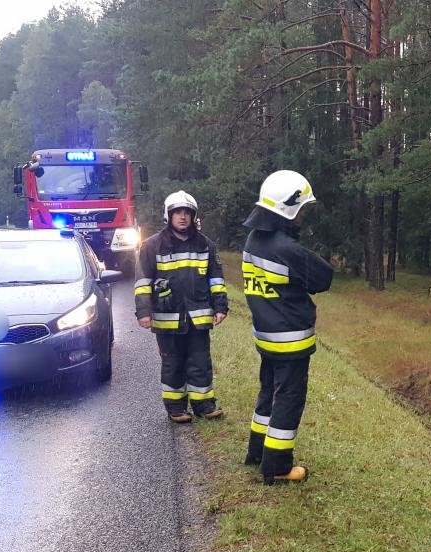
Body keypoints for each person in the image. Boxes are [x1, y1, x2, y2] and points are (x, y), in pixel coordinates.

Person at [241, 170, 333, 485]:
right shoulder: (287, 249)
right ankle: (278, 466)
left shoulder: (254, 240)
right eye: (302, 208)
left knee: (268, 392)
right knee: (289, 398)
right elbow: (323, 278)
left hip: (265, 336)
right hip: (291, 340)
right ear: (289, 207)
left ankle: (257, 451)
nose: (303, 215)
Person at [134, 190, 229, 423]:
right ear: (169, 215)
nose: (183, 216)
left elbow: (216, 279)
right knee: (173, 363)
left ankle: (204, 405)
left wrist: (220, 307)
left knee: (200, 363)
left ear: (194, 215)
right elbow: (143, 282)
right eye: (177, 212)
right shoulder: (152, 246)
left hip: (198, 318)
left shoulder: (206, 245)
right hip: (167, 317)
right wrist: (143, 312)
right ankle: (176, 408)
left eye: (187, 212)